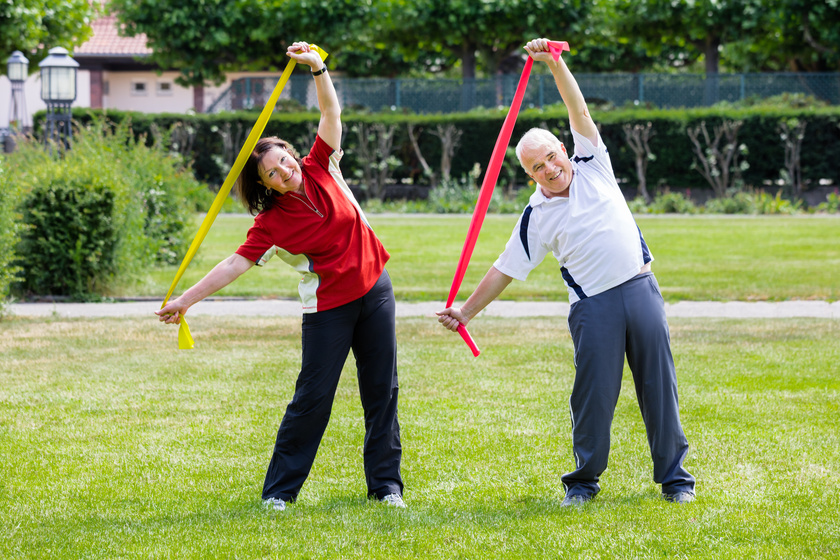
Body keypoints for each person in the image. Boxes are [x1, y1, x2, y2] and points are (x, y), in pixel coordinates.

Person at [437, 38, 695, 506]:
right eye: (538, 168)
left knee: (659, 384)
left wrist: (554, 64)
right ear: (530, 176)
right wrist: (466, 312)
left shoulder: (592, 163)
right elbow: (505, 268)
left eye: (552, 157)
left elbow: (578, 111)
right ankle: (583, 483)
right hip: (593, 306)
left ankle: (676, 481)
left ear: (562, 149)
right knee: (593, 396)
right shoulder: (537, 214)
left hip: (640, 288)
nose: (551, 170)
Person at [156, 41, 404, 511]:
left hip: (375, 291)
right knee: (312, 399)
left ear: (293, 155)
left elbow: (330, 113)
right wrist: (187, 299)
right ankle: (279, 492)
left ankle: (386, 487)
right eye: (273, 173)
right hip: (328, 307)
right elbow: (235, 263)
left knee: (382, 390)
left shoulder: (321, 164)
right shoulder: (270, 223)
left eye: (284, 161)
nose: (285, 171)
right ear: (264, 185)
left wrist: (318, 68)